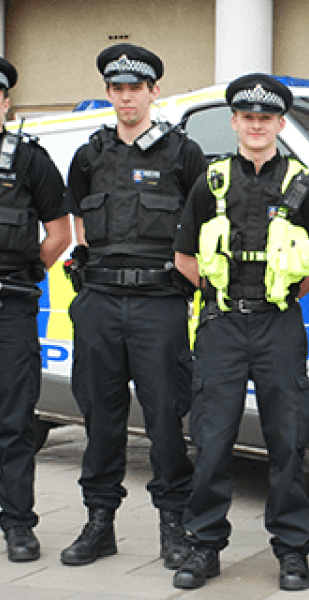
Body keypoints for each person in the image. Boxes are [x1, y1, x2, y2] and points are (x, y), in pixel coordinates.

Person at [171, 73, 309, 591]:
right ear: (235, 122)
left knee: (287, 440)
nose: (256, 125)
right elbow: (184, 257)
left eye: (266, 118)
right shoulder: (210, 182)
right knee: (213, 439)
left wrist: (278, 298)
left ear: (280, 124)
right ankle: (203, 546)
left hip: (277, 325)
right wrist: (223, 298)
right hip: (220, 325)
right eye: (247, 117)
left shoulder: (303, 186)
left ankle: (291, 550)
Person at [60, 43, 207, 569]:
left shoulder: (182, 154)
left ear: (153, 93)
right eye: (118, 89)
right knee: (100, 419)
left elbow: (202, 224)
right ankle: (99, 523)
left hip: (159, 304)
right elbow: (78, 220)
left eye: (135, 89)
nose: (127, 98)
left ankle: (174, 526)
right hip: (99, 302)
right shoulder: (89, 155)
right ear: (109, 94)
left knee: (166, 418)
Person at [0, 58, 71, 562]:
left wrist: (23, 274)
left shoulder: (29, 161)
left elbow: (60, 234)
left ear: (5, 102)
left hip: (10, 306)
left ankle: (18, 524)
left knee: (14, 420)